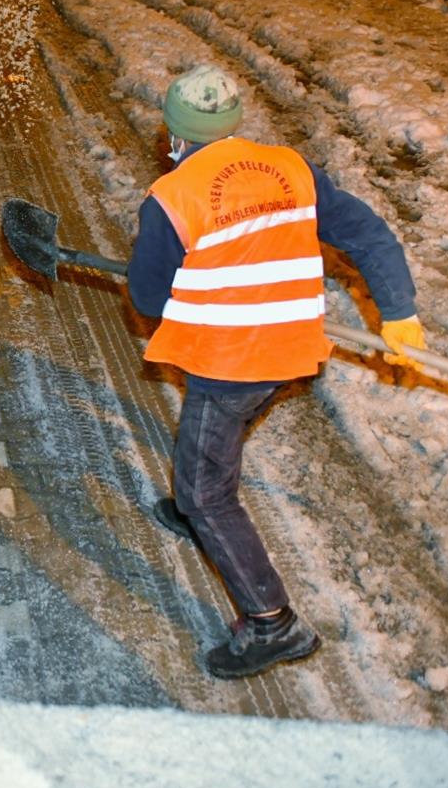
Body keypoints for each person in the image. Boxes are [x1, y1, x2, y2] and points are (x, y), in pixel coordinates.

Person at [126, 64, 426, 679]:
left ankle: (273, 624)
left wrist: (187, 274)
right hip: (290, 351)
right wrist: (399, 313)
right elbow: (369, 236)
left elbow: (149, 300)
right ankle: (197, 507)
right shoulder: (293, 170)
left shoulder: (172, 198)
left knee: (205, 487)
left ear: (174, 135)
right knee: (217, 438)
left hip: (231, 363)